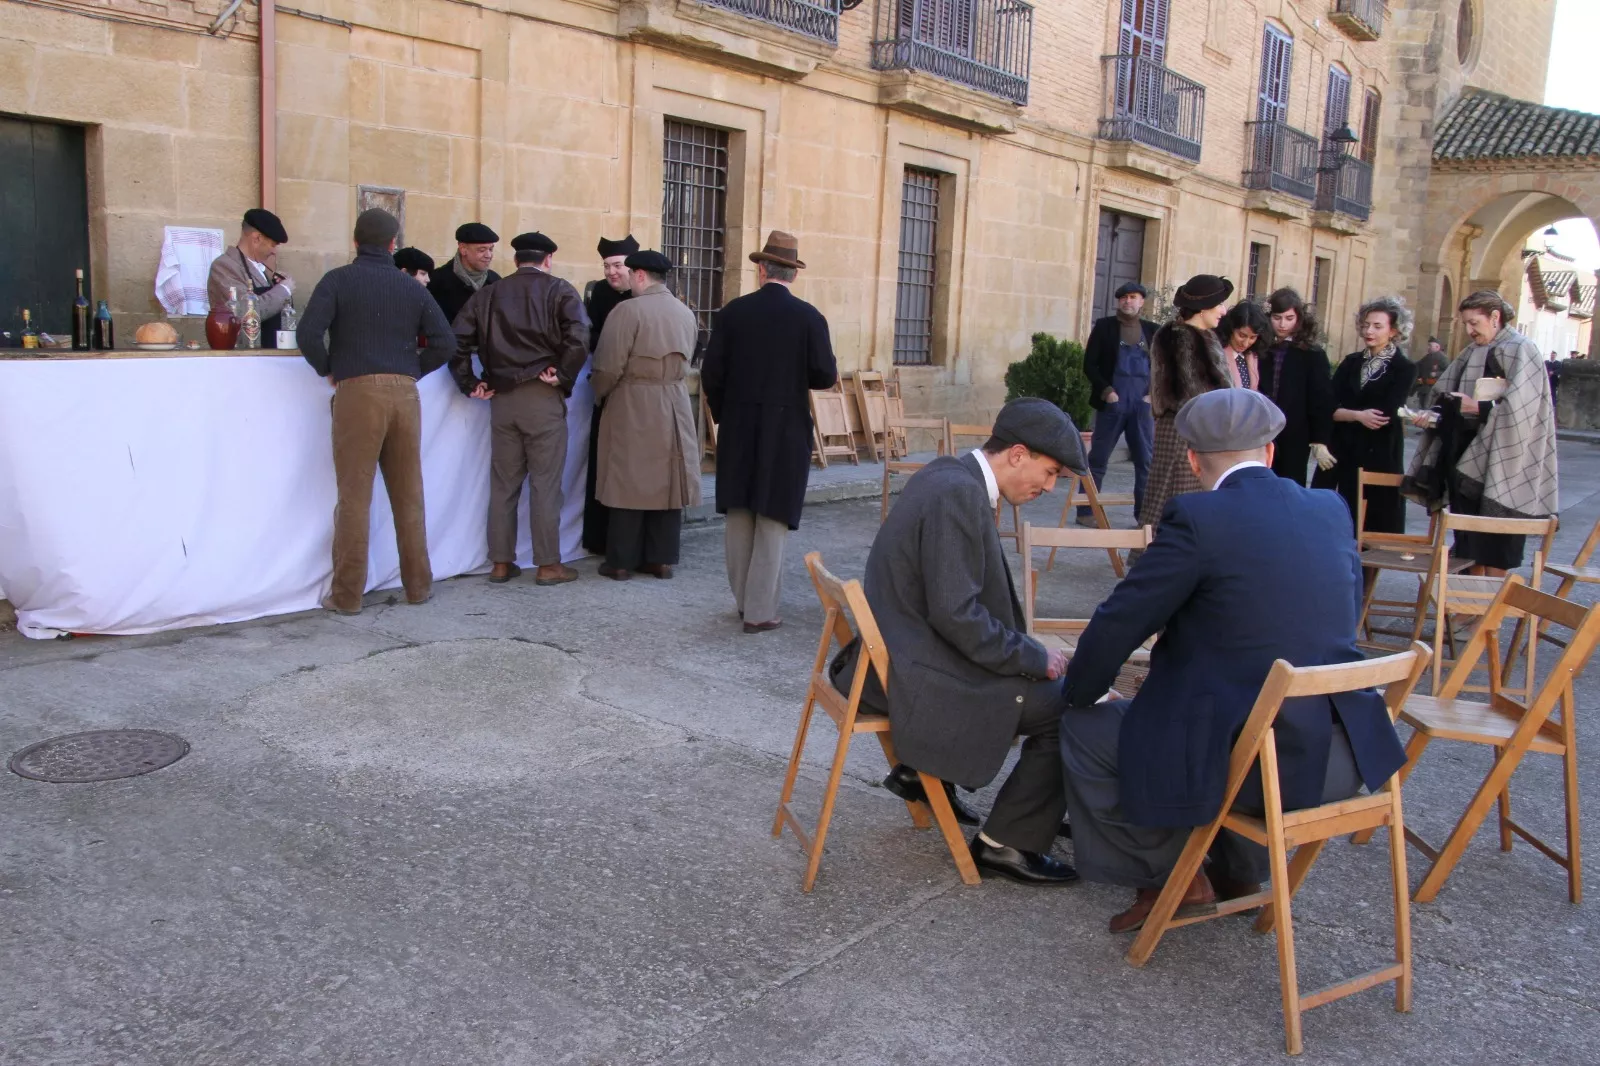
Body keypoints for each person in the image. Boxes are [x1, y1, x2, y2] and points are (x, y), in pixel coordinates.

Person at [1059, 388, 1408, 933]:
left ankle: (1169, 878)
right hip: (1339, 757)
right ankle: (1240, 870)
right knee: (1221, 707)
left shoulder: (1198, 517)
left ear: (1194, 460)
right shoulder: (1329, 508)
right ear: (1269, 453)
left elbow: (1121, 621)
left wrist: (1082, 689)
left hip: (1256, 767)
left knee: (1092, 727)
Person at [836, 399, 1089, 885]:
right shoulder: (960, 494)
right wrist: (1034, 656)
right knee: (1070, 705)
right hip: (910, 676)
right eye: (1050, 471)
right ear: (1017, 454)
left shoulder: (948, 473)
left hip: (894, 655)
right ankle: (1008, 843)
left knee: (1044, 681)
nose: (1049, 487)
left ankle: (922, 774)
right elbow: (958, 617)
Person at [296, 208, 455, 615]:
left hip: (358, 392)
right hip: (404, 394)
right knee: (409, 494)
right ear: (392, 245)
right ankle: (418, 586)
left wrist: (328, 366)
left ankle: (347, 596)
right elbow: (445, 342)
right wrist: (411, 372)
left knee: (354, 497)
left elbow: (308, 333)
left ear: (354, 242)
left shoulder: (339, 280)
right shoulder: (410, 287)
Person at [702, 231, 838, 634]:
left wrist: (726, 411)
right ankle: (760, 611)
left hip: (739, 422)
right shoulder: (810, 317)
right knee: (773, 515)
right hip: (786, 425)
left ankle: (745, 602)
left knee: (740, 511)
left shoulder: (733, 313)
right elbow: (824, 375)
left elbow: (712, 374)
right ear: (791, 274)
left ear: (761, 269)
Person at [451, 231, 589, 588]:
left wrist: (471, 383)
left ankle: (500, 562)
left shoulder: (489, 294)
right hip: (541, 396)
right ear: (548, 260)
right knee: (545, 484)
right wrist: (562, 374)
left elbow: (456, 342)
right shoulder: (559, 290)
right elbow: (579, 334)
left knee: (503, 484)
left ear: (514, 260)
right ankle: (547, 565)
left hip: (502, 400)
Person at [1404, 290, 1559, 575]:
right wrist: (1433, 416)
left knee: (1499, 542)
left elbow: (1526, 408)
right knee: (1468, 540)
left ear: (1495, 317)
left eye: (1474, 323)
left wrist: (1479, 407)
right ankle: (1466, 607)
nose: (1469, 330)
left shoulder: (1522, 349)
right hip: (1464, 455)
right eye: (1465, 323)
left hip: (1506, 459)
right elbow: (1448, 395)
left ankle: (1489, 615)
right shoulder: (1471, 351)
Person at [590, 250, 702, 580]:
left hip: (633, 398)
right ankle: (661, 559)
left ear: (640, 275)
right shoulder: (685, 312)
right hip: (674, 399)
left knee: (627, 477)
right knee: (668, 478)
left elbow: (608, 365)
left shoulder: (627, 311)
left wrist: (600, 392)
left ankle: (621, 562)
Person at [1312, 297, 1418, 534]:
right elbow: (1327, 405)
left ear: (1393, 331)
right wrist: (1356, 415)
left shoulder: (1404, 368)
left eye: (1377, 326)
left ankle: (1369, 572)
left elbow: (1383, 415)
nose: (1369, 331)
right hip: (1342, 449)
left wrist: (1344, 413)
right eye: (1366, 324)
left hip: (1379, 452)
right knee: (1333, 519)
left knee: (1377, 525)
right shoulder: (1350, 363)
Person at [1137, 274, 1232, 531]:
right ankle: (1158, 556)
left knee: (1187, 497)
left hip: (1197, 429)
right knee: (1173, 495)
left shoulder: (1202, 335)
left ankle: (1171, 556)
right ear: (1203, 307)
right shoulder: (1180, 337)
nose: (1224, 311)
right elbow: (1195, 393)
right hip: (1184, 430)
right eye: (1219, 304)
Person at [1077, 282, 1157, 526]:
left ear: (1142, 301)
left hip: (1141, 406)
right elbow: (1090, 364)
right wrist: (1107, 391)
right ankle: (1085, 512)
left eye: (1133, 297)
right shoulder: (1105, 327)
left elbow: (1163, 367)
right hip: (1113, 403)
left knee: (1145, 461)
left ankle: (1143, 516)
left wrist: (1153, 394)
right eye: (1123, 297)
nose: (1128, 301)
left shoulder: (1153, 331)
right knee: (1098, 459)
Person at [580, 235, 639, 556]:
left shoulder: (646, 294)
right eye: (606, 266)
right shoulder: (599, 293)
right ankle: (599, 538)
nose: (611, 272)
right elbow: (589, 334)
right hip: (607, 388)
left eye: (617, 265)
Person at [1260, 288, 1336, 486]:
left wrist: (1320, 439)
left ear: (1299, 319)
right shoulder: (1260, 347)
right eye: (1277, 317)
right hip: (1261, 429)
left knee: (1290, 485)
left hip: (1294, 432)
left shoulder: (1312, 353)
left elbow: (1321, 398)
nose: (1283, 324)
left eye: (1289, 318)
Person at [207, 208, 295, 348]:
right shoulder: (224, 266)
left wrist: (278, 286)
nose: (274, 252)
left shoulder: (260, 269)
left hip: (267, 356)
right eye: (273, 245)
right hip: (244, 357)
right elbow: (246, 313)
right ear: (256, 238)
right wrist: (283, 290)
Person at [427, 222, 500, 323]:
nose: (488, 255)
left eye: (491, 249)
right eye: (482, 250)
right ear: (463, 249)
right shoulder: (436, 281)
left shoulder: (495, 281)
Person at [1218, 300, 1270, 391]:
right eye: (1242, 336)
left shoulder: (1252, 356)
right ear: (1231, 329)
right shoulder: (1217, 354)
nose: (1246, 343)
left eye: (1252, 337)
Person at [1411, 336, 1449, 409]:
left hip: (1433, 389)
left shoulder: (1443, 358)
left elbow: (1448, 371)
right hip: (1423, 388)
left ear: (1437, 347)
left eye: (1430, 346)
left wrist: (1436, 374)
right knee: (1422, 409)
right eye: (1428, 345)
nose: (1428, 347)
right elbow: (1417, 365)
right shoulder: (1427, 357)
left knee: (1427, 410)